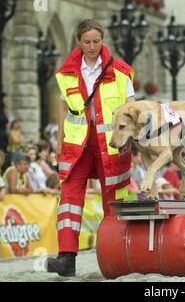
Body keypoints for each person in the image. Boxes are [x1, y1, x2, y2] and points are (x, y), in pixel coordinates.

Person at [46, 19, 136, 277]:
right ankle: (66, 257)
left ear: (103, 40)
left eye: (97, 41)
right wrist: (59, 143)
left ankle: (116, 257)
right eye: (87, 41)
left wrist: (129, 138)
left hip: (112, 146)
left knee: (113, 200)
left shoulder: (120, 71)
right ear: (79, 42)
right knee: (69, 199)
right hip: (78, 146)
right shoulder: (66, 74)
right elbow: (63, 109)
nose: (92, 46)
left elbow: (132, 107)